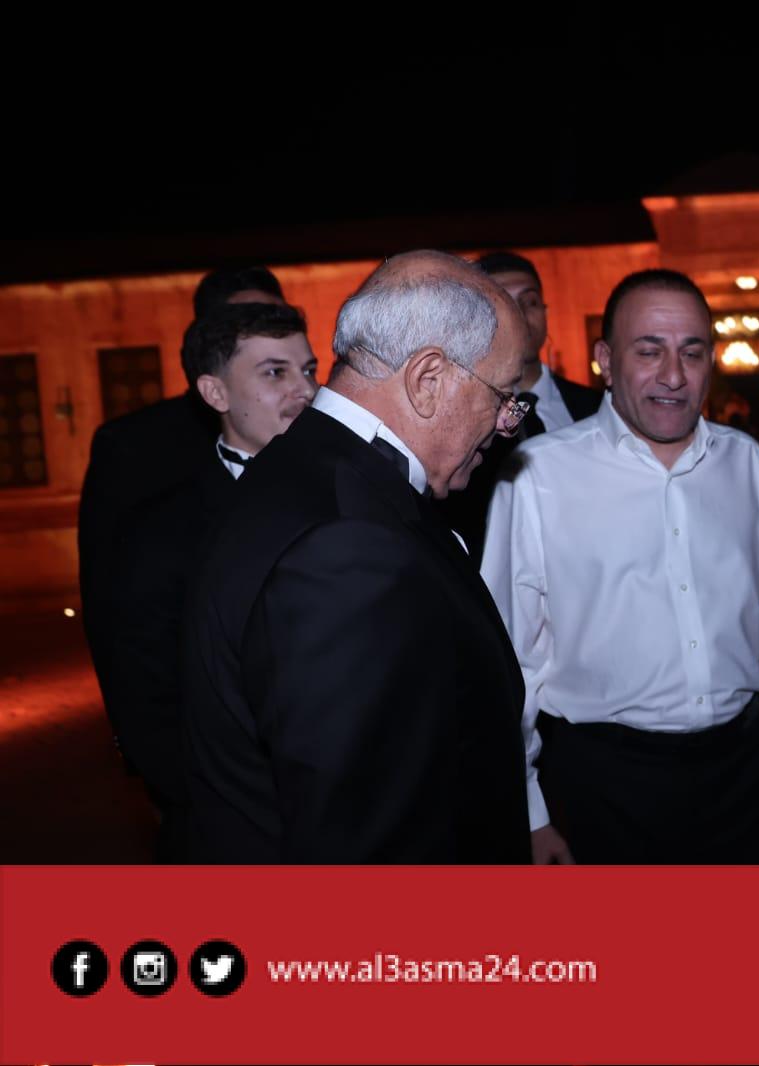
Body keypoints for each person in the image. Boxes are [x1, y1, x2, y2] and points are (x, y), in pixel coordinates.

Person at [182, 251, 533, 862]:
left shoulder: (314, 473)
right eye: (504, 395)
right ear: (428, 379)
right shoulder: (343, 544)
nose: (509, 425)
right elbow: (366, 838)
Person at [481, 269, 759, 864]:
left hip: (745, 775)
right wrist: (531, 814)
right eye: (649, 351)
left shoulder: (746, 464)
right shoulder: (538, 476)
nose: (674, 375)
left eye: (692, 352)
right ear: (605, 362)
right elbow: (511, 665)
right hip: (602, 787)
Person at [96, 302, 316, 860]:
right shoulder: (161, 532)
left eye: (309, 370)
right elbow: (145, 696)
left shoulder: (351, 496)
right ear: (215, 393)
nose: (306, 390)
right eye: (275, 372)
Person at [79, 267, 289, 726]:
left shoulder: (312, 432)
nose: (263, 332)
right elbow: (109, 607)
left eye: (273, 317)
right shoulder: (133, 445)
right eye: (242, 321)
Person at [439, 251, 602, 560]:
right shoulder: (463, 417)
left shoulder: (596, 406)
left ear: (546, 311)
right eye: (505, 303)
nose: (521, 315)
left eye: (530, 302)